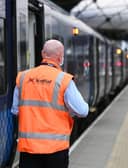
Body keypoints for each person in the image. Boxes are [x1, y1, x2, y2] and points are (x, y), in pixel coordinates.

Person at [11, 39, 89, 168]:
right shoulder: (64, 80)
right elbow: (83, 111)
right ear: (60, 58)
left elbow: (15, 110)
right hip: (56, 150)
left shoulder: (23, 77)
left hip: (28, 149)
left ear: (43, 54)